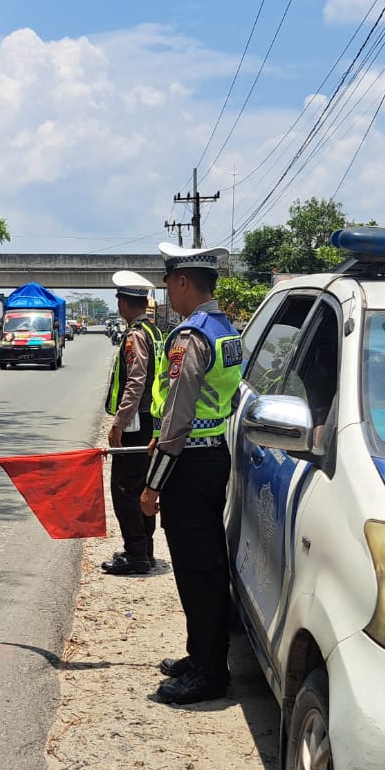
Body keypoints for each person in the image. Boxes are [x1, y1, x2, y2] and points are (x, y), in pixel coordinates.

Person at [140, 243, 242, 705]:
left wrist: (153, 484)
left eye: (167, 284)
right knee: (205, 564)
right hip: (210, 455)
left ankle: (208, 672)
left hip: (189, 464)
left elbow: (179, 420)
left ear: (182, 282)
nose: (166, 293)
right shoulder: (226, 330)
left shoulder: (190, 337)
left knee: (197, 569)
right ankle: (202, 654)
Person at [101, 270, 167, 576]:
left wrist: (119, 421)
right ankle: (146, 549)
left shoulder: (135, 335)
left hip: (136, 422)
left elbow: (136, 380)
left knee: (125, 490)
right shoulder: (154, 332)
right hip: (150, 420)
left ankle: (136, 553)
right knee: (141, 485)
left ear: (123, 303)